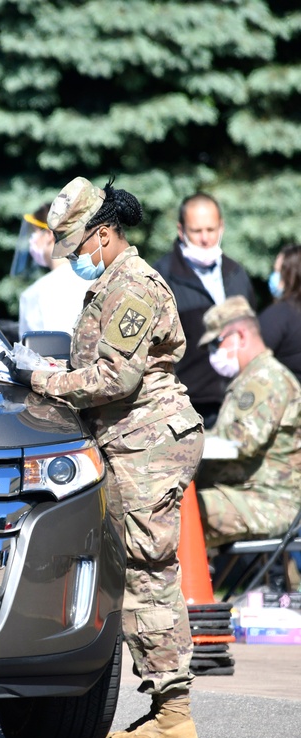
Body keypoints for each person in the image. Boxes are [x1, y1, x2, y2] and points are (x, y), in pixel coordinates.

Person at [6, 177, 204, 738]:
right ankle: (168, 710)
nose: (72, 258)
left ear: (104, 234)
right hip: (131, 438)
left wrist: (41, 380)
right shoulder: (111, 283)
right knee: (138, 566)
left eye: (75, 246)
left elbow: (116, 378)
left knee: (147, 570)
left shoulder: (133, 287)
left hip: (148, 443)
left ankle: (173, 714)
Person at [194, 296, 301, 548]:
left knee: (177, 515)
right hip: (244, 494)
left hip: (269, 501)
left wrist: (185, 442)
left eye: (216, 344)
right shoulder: (251, 378)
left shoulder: (265, 378)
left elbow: (239, 442)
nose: (212, 354)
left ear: (240, 335)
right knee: (173, 509)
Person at [152, 192, 256, 428]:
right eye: (197, 231)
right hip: (186, 407)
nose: (205, 239)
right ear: (181, 231)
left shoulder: (236, 273)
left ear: (221, 227)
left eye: (211, 230)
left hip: (237, 401)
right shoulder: (162, 277)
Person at [17, 202, 93, 337]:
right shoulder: (94, 281)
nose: (31, 240)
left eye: (34, 232)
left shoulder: (35, 293)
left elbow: (30, 347)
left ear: (49, 234)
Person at [259, 243, 301, 383]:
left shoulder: (279, 315)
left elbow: (254, 360)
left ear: (290, 274)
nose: (273, 277)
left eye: (277, 271)